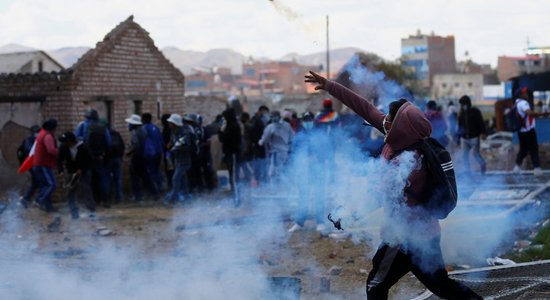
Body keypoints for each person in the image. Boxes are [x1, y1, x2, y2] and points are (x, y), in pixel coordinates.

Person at [305, 71, 483, 300]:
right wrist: (329, 85)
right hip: (426, 234)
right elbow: (366, 109)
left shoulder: (407, 162)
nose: (384, 120)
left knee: (376, 285)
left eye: (389, 118)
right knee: (440, 285)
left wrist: (346, 215)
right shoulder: (404, 138)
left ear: (401, 125)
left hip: (403, 239)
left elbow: (379, 196)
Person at [288, 111, 326, 233]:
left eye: (310, 119)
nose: (308, 122)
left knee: (319, 196)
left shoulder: (319, 134)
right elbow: (293, 152)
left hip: (317, 169)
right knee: (303, 196)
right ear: (303, 121)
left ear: (313, 120)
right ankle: (300, 222)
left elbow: (325, 150)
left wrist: (318, 158)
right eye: (306, 120)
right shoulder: (299, 135)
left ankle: (320, 222)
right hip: (304, 170)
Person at [512, 87, 550, 176]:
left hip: (521, 130)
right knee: (534, 148)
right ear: (521, 95)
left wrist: (537, 116)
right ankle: (537, 168)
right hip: (528, 130)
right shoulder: (524, 103)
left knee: (524, 149)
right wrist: (542, 114)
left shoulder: (516, 103)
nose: (527, 94)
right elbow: (529, 113)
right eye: (525, 93)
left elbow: (526, 115)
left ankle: (517, 167)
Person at [57, 131, 93, 219]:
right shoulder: (63, 147)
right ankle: (74, 214)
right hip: (71, 171)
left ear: (70, 141)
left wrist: (82, 169)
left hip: (84, 171)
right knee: (70, 192)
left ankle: (91, 211)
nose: (64, 143)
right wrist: (60, 170)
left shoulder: (84, 147)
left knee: (86, 189)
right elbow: (59, 159)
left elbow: (90, 161)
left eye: (66, 142)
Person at [164, 114, 195, 204]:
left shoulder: (184, 133)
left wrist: (172, 148)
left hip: (184, 160)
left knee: (176, 178)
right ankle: (186, 196)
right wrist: (170, 144)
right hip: (177, 159)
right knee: (182, 179)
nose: (169, 124)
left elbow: (182, 145)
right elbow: (172, 141)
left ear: (175, 123)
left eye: (171, 123)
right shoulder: (174, 132)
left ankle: (173, 198)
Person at [258, 110, 294, 183]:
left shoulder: (271, 127)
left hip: (276, 153)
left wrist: (260, 142)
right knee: (282, 170)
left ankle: (275, 189)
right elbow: (292, 137)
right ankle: (285, 188)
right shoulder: (287, 125)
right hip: (285, 152)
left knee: (273, 173)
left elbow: (264, 140)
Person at [125, 114, 154, 202]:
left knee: (135, 177)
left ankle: (137, 196)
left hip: (137, 157)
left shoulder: (136, 132)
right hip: (143, 156)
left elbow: (136, 145)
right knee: (145, 176)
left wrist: (129, 152)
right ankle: (153, 193)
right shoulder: (143, 130)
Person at [33, 118, 59, 212]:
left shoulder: (42, 133)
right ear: (53, 128)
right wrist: (59, 150)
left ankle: (48, 207)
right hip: (43, 164)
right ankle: (39, 200)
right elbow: (51, 150)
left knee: (45, 185)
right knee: (51, 185)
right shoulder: (47, 136)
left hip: (40, 164)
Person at [457, 95, 487, 174]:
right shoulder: (461, 113)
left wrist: (483, 133)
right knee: (464, 155)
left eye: (463, 104)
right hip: (464, 138)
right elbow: (460, 126)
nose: (462, 106)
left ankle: (482, 165)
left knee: (475, 154)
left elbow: (481, 123)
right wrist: (458, 137)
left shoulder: (475, 111)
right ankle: (467, 171)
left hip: (474, 137)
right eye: (461, 105)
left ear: (467, 103)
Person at [218, 108, 242, 194]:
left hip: (233, 153)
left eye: (225, 117)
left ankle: (237, 195)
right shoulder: (230, 125)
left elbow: (223, 138)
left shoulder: (233, 126)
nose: (224, 119)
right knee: (232, 173)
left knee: (234, 175)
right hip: (229, 153)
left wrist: (221, 130)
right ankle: (234, 192)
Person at [18, 125, 41, 209]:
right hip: (32, 164)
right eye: (36, 132)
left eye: (38, 131)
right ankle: (34, 200)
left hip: (36, 164)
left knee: (36, 182)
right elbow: (31, 152)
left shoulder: (35, 139)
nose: (37, 133)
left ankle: (26, 199)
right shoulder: (29, 140)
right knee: (39, 182)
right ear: (32, 132)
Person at [141, 113, 163, 196]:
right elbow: (160, 139)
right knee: (157, 170)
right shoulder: (155, 127)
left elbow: (142, 140)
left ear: (144, 119)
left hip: (150, 153)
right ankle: (159, 186)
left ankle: (154, 191)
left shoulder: (144, 128)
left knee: (150, 171)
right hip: (158, 151)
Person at [248, 105, 270, 184]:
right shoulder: (256, 120)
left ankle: (262, 180)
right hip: (259, 146)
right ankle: (259, 180)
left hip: (264, 147)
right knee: (259, 164)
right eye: (264, 112)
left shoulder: (267, 121)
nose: (265, 114)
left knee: (264, 165)